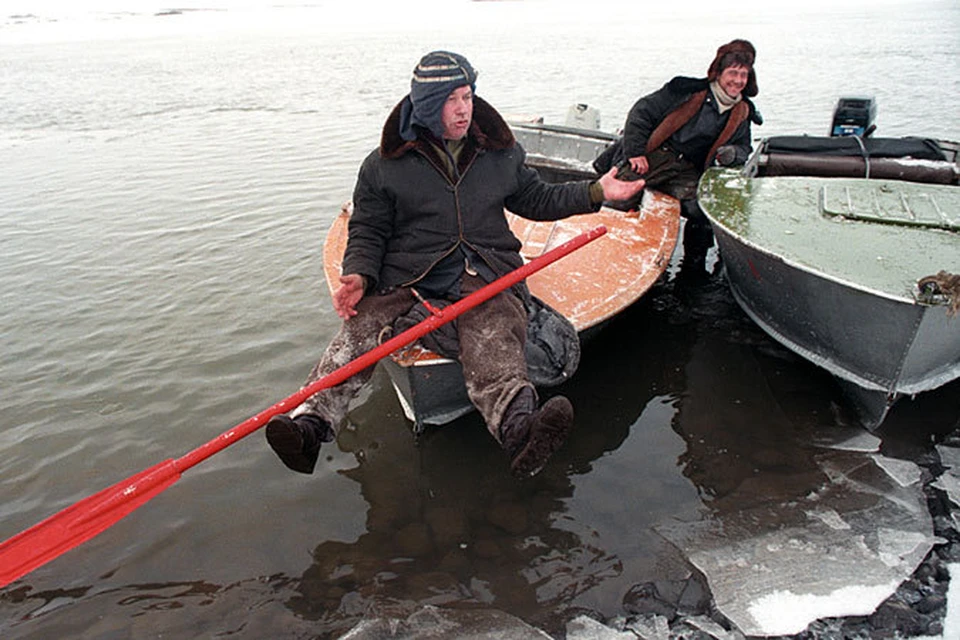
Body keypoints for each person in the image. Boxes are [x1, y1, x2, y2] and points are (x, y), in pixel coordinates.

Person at [265, 51, 645, 478]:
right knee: (360, 328)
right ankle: (310, 427)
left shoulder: (498, 153)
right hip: (409, 274)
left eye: (467, 96)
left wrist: (597, 192)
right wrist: (358, 274)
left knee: (494, 330)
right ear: (427, 105)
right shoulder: (383, 166)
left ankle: (519, 430)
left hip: (483, 270)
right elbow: (369, 229)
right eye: (452, 100)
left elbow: (537, 199)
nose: (464, 108)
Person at [595, 39, 762, 273]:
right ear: (719, 73)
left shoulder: (742, 111)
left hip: (689, 170)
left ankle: (694, 266)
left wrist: (732, 153)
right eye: (732, 72)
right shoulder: (687, 91)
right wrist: (635, 153)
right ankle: (605, 249)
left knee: (701, 209)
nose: (737, 80)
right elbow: (641, 112)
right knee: (618, 195)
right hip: (656, 156)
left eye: (743, 75)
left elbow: (745, 148)